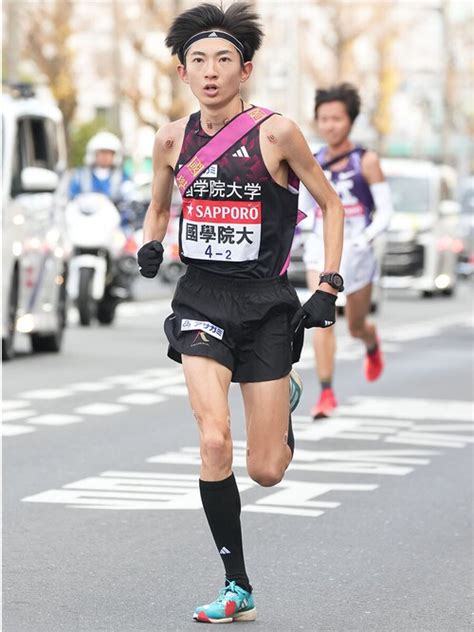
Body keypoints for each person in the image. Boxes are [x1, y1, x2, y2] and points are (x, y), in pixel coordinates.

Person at [137, 2, 344, 623]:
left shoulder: (276, 133)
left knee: (267, 469)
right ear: (182, 72)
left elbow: (330, 206)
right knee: (212, 440)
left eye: (223, 60)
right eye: (197, 60)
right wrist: (149, 243)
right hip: (201, 298)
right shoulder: (171, 138)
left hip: (266, 304)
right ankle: (237, 585)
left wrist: (328, 285)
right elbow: (157, 209)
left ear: (244, 69)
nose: (209, 71)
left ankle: (284, 397)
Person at [299, 83, 394, 419]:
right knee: (322, 318)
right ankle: (326, 392)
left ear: (350, 121)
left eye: (336, 119)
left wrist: (366, 237)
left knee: (354, 325)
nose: (329, 126)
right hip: (320, 248)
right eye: (323, 119)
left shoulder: (366, 161)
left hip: (358, 251)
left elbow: (384, 210)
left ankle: (370, 341)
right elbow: (304, 207)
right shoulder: (311, 159)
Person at [69, 131, 132, 203]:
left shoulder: (122, 176)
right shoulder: (81, 176)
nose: (105, 157)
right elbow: (72, 197)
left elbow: (129, 197)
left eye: (109, 153)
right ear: (94, 154)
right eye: (102, 152)